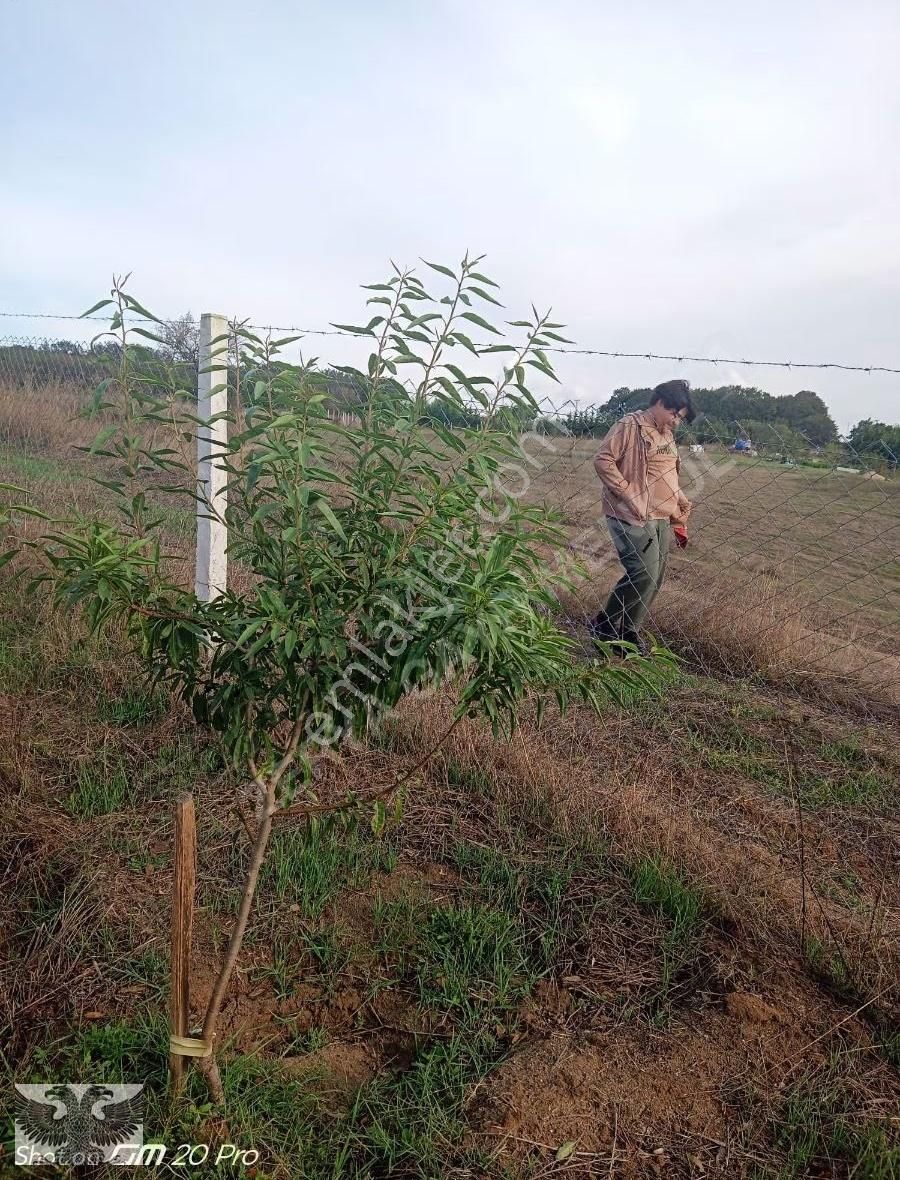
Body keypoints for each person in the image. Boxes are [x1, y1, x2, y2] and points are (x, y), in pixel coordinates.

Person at [590, 379, 696, 655]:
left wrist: (679, 497)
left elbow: (666, 472)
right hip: (632, 515)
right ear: (660, 403)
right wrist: (628, 493)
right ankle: (603, 623)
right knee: (642, 573)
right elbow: (603, 460)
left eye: (680, 418)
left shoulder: (667, 435)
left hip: (661, 516)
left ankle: (628, 633)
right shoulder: (630, 425)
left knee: (655, 578)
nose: (676, 422)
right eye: (674, 414)